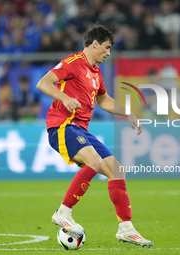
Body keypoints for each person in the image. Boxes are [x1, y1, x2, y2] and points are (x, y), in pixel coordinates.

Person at [36, 23, 153, 247]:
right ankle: (63, 212)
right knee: (95, 161)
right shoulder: (73, 62)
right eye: (107, 47)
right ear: (95, 43)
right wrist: (64, 98)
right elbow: (43, 83)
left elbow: (103, 100)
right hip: (62, 126)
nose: (109, 53)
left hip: (81, 129)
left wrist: (126, 113)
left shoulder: (96, 72)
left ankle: (126, 229)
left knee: (117, 170)